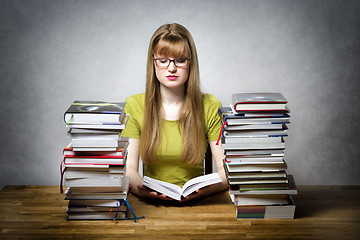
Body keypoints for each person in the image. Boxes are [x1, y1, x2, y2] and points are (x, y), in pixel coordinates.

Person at [121, 23, 228, 202]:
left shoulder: (210, 105)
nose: (171, 68)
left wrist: (205, 191)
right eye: (163, 60)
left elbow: (225, 170)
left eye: (180, 60)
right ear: (153, 62)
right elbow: (129, 169)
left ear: (190, 62)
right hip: (150, 207)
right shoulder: (134, 105)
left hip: (200, 206)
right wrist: (141, 191)